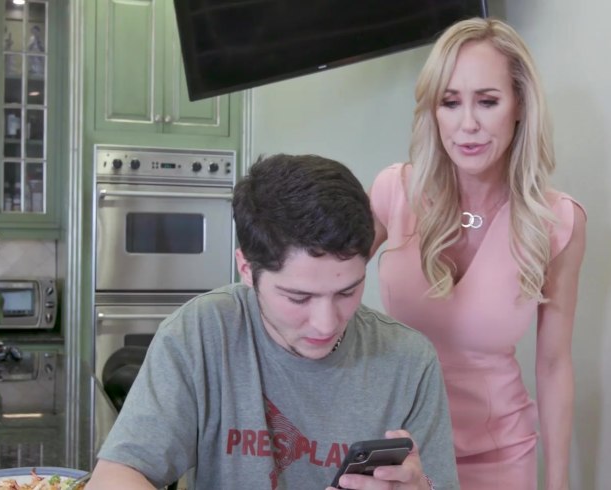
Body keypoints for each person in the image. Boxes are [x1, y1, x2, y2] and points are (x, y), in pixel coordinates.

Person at [88, 154, 460, 490]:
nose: (325, 324)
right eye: (298, 297)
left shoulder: (409, 361)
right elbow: (115, 476)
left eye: (347, 291)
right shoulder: (201, 333)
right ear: (247, 269)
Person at [369, 18, 587, 490]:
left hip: (501, 456)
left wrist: (558, 484)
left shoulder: (558, 222)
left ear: (520, 106)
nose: (467, 124)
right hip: (401, 451)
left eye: (487, 101)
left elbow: (553, 365)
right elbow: (324, 285)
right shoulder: (394, 191)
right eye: (450, 102)